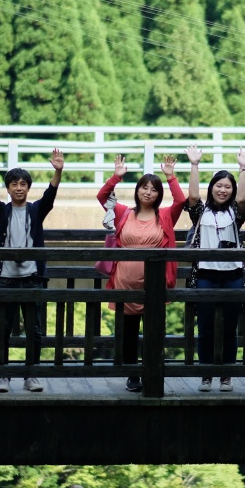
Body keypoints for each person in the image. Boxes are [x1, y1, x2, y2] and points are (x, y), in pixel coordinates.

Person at [0, 147, 64, 394]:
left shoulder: (36, 210)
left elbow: (50, 195)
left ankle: (31, 375)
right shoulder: (2, 211)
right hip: (6, 278)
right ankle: (3, 376)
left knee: (34, 329)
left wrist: (58, 172)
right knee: (3, 328)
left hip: (32, 277)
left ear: (28, 188)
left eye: (23, 184)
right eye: (14, 184)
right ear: (9, 188)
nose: (19, 188)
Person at [97, 153, 184, 394]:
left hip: (154, 284)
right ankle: (132, 374)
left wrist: (170, 176)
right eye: (144, 188)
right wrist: (116, 177)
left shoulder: (165, 215)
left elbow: (180, 202)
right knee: (128, 332)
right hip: (125, 282)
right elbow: (103, 197)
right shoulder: (123, 212)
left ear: (159, 194)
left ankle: (152, 371)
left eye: (153, 189)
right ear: (137, 191)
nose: (148, 192)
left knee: (154, 332)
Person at [184, 144, 245, 392]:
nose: (223, 190)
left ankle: (226, 374)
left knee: (230, 327)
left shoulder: (236, 212)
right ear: (211, 187)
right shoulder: (201, 212)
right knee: (205, 326)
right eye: (218, 185)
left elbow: (244, 200)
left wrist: (243, 168)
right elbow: (192, 198)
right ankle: (206, 373)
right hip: (205, 274)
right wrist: (194, 165)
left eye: (227, 187)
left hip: (233, 275)